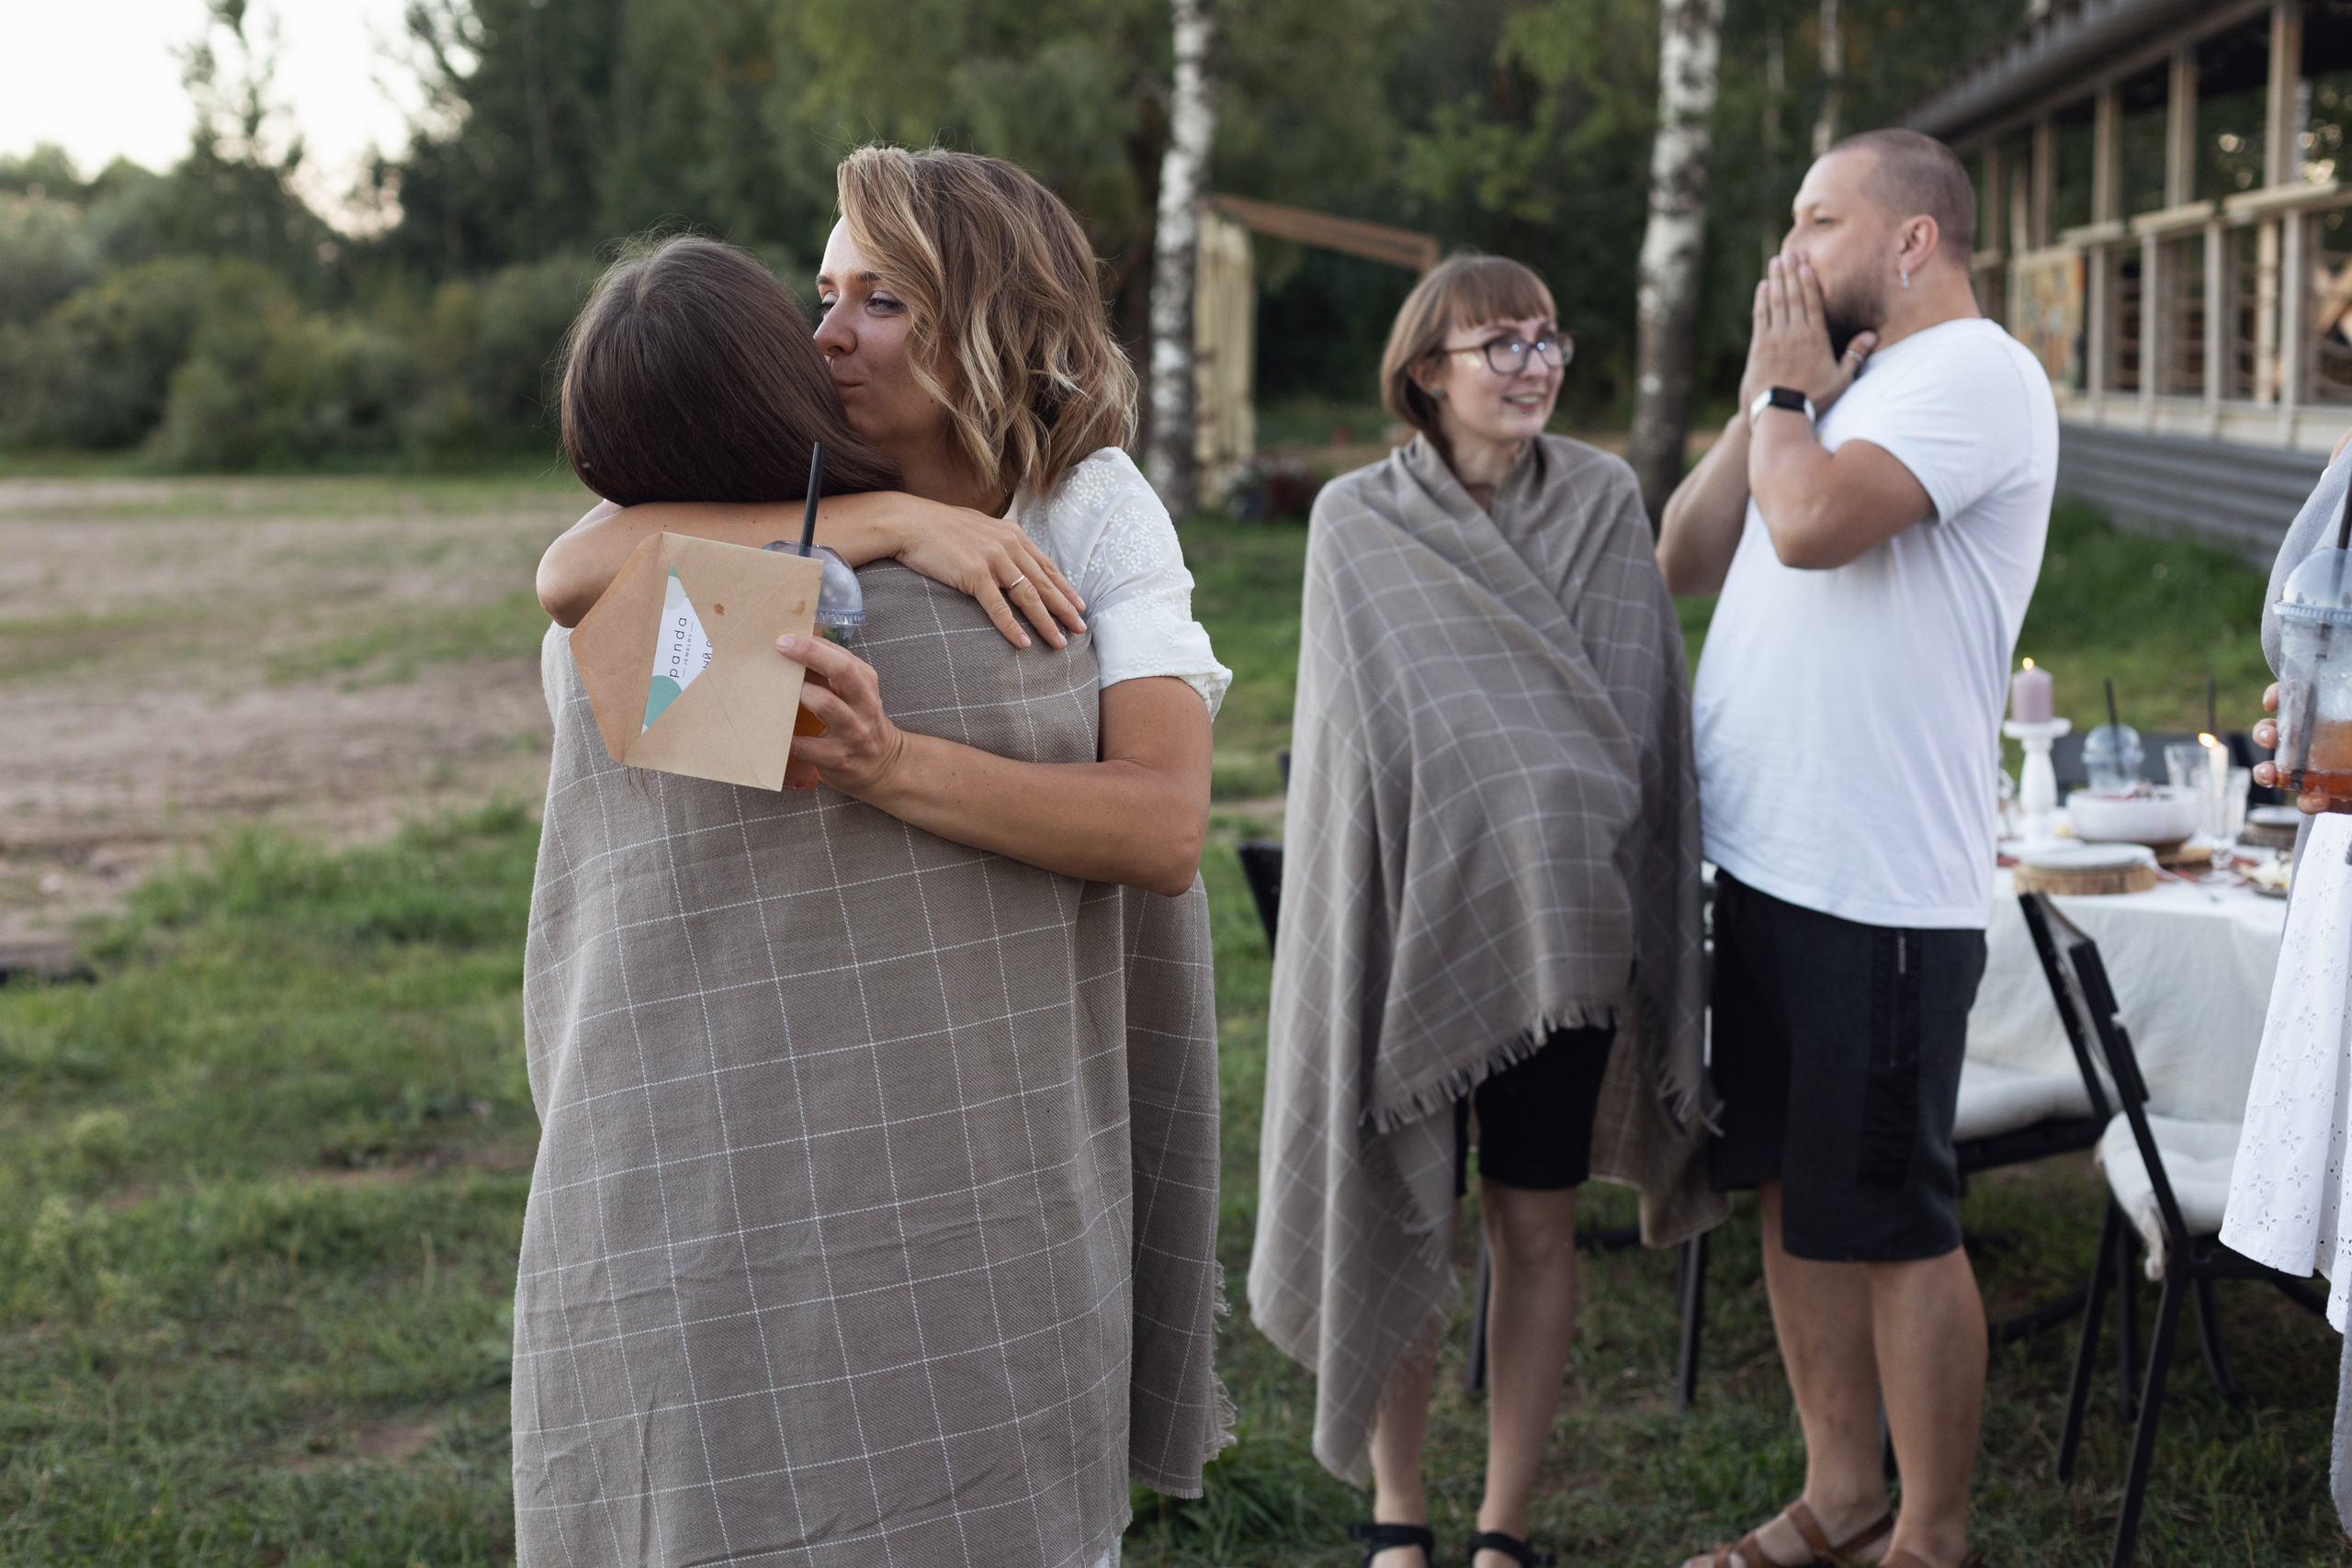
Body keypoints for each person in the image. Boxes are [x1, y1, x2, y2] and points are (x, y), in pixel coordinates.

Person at [514, 153, 1233, 1568]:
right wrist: (896, 524)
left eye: (883, 299)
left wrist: (892, 765)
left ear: (997, 320)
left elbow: (1162, 827)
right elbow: (573, 567)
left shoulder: (1089, 507)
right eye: (826, 290)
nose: (828, 333)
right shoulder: (787, 468)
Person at [1250, 253, 1721, 1568]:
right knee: (1408, 1205)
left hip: (1565, 929)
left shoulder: (1607, 500)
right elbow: (1366, 744)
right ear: (1426, 375)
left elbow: (1638, 718)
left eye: (1546, 339)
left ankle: (1504, 1523)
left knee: (1533, 1219)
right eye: (1497, 345)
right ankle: (1400, 1514)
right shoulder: (1357, 520)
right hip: (1413, 923)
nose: (1530, 366)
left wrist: (1549, 801)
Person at [1656, 128, 2056, 1568]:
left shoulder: (1976, 375)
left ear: (1911, 243)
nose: (1788, 251)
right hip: (1766, 867)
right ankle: (1840, 1493)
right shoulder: (1846, 383)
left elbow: (1813, 526)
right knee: (1788, 1191)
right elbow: (1685, 554)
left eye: (1817, 220)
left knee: (1894, 1220)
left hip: (1880, 887)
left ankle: (1932, 1536)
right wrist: (1776, 392)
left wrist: (1783, 397)